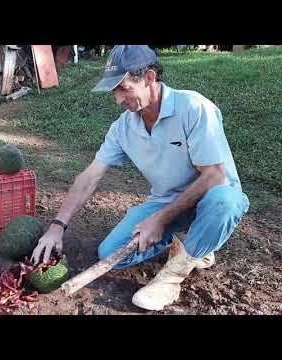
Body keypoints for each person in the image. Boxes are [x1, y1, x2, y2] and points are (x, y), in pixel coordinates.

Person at [30, 45, 250, 311]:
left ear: (149, 78)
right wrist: (57, 226)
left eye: (124, 88)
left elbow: (214, 175)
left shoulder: (193, 107)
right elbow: (90, 176)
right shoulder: (123, 127)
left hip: (212, 194)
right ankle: (196, 243)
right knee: (109, 253)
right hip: (168, 200)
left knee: (225, 202)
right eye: (114, 92)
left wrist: (159, 219)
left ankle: (171, 277)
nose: (118, 99)